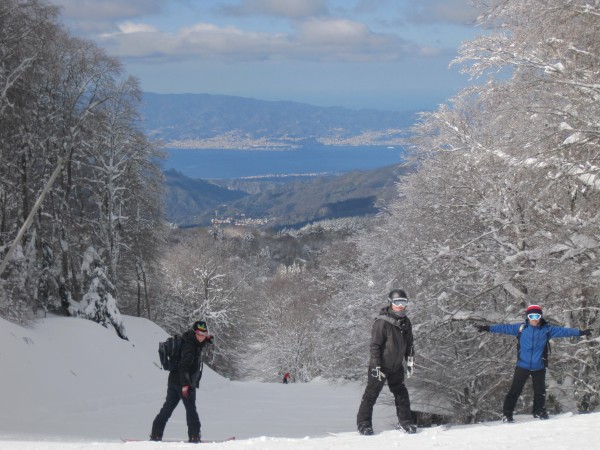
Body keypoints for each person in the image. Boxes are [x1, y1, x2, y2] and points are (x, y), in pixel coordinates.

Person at [476, 305, 592, 423]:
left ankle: (539, 411)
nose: (535, 319)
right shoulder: (520, 328)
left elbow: (564, 331)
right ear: (528, 317)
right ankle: (507, 414)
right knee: (515, 390)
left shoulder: (546, 329)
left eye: (537, 316)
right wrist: (488, 328)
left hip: (539, 366)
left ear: (540, 317)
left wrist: (580, 332)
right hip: (522, 366)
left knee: (540, 391)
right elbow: (504, 328)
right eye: (532, 316)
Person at [357, 289, 416, 435]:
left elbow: (409, 344)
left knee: (401, 393)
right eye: (397, 303)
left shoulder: (406, 322)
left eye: (403, 303)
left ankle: (405, 423)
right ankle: (364, 424)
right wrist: (376, 366)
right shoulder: (382, 322)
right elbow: (375, 346)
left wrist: (409, 362)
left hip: (396, 366)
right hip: (380, 366)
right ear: (391, 303)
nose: (401, 306)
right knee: (371, 394)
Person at [150, 320, 213, 443]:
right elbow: (184, 366)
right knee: (191, 410)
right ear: (194, 332)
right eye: (199, 334)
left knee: (167, 408)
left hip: (174, 380)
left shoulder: (190, 340)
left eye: (204, 334)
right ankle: (194, 437)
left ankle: (156, 434)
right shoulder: (190, 347)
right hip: (184, 382)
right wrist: (185, 385)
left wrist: (207, 340)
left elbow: (198, 344)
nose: (201, 337)